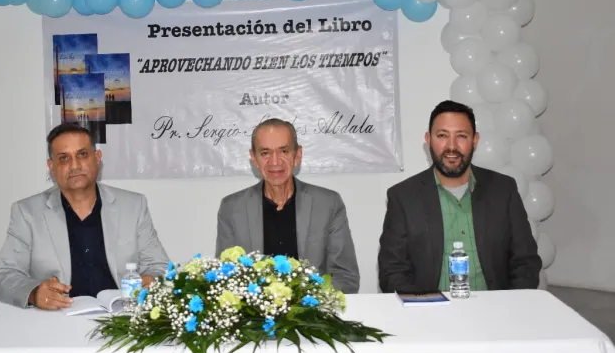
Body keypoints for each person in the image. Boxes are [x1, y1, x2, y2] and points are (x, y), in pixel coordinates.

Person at [0, 123, 169, 309]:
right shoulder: (27, 213)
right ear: (51, 166)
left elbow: (160, 267)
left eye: (82, 155)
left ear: (97, 158)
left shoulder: (133, 206)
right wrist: (34, 294)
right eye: (64, 158)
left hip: (119, 318)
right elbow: (2, 277)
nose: (74, 165)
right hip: (56, 320)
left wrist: (151, 280)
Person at [377, 100, 542, 293]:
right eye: (442, 136)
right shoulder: (403, 197)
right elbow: (391, 272)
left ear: (475, 140)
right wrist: (424, 309)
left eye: (461, 136)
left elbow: (526, 262)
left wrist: (507, 307)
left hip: (495, 313)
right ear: (428, 140)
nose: (452, 146)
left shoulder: (503, 190)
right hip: (430, 315)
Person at [215, 118, 360, 293]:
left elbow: (345, 277)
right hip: (256, 316)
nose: (275, 162)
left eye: (283, 151)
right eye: (265, 153)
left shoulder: (328, 203)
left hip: (314, 313)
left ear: (297, 155)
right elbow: (226, 278)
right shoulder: (232, 208)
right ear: (254, 158)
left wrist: (305, 303)